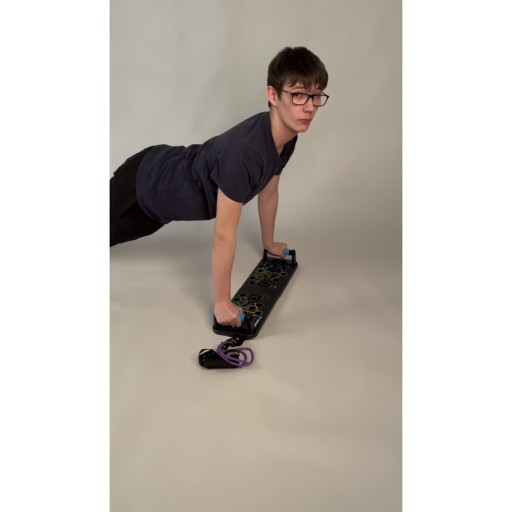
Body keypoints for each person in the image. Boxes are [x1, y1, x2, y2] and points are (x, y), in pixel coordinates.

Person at [110, 46, 329, 328]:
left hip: (163, 200)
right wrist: (222, 302)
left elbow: (269, 193)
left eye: (316, 95)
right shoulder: (245, 153)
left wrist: (269, 243)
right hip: (146, 178)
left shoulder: (286, 138)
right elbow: (223, 236)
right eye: (298, 95)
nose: (310, 107)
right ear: (273, 95)